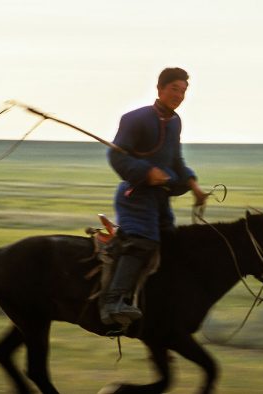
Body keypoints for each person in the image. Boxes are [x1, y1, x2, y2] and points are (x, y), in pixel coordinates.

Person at [100, 67, 206, 325]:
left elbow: (176, 160)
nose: (179, 95)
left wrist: (193, 185)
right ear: (160, 89)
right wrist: (147, 174)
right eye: (174, 89)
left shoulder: (175, 122)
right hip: (134, 196)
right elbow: (116, 156)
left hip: (159, 199)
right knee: (143, 242)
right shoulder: (134, 119)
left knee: (170, 242)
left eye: (183, 91)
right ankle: (113, 302)